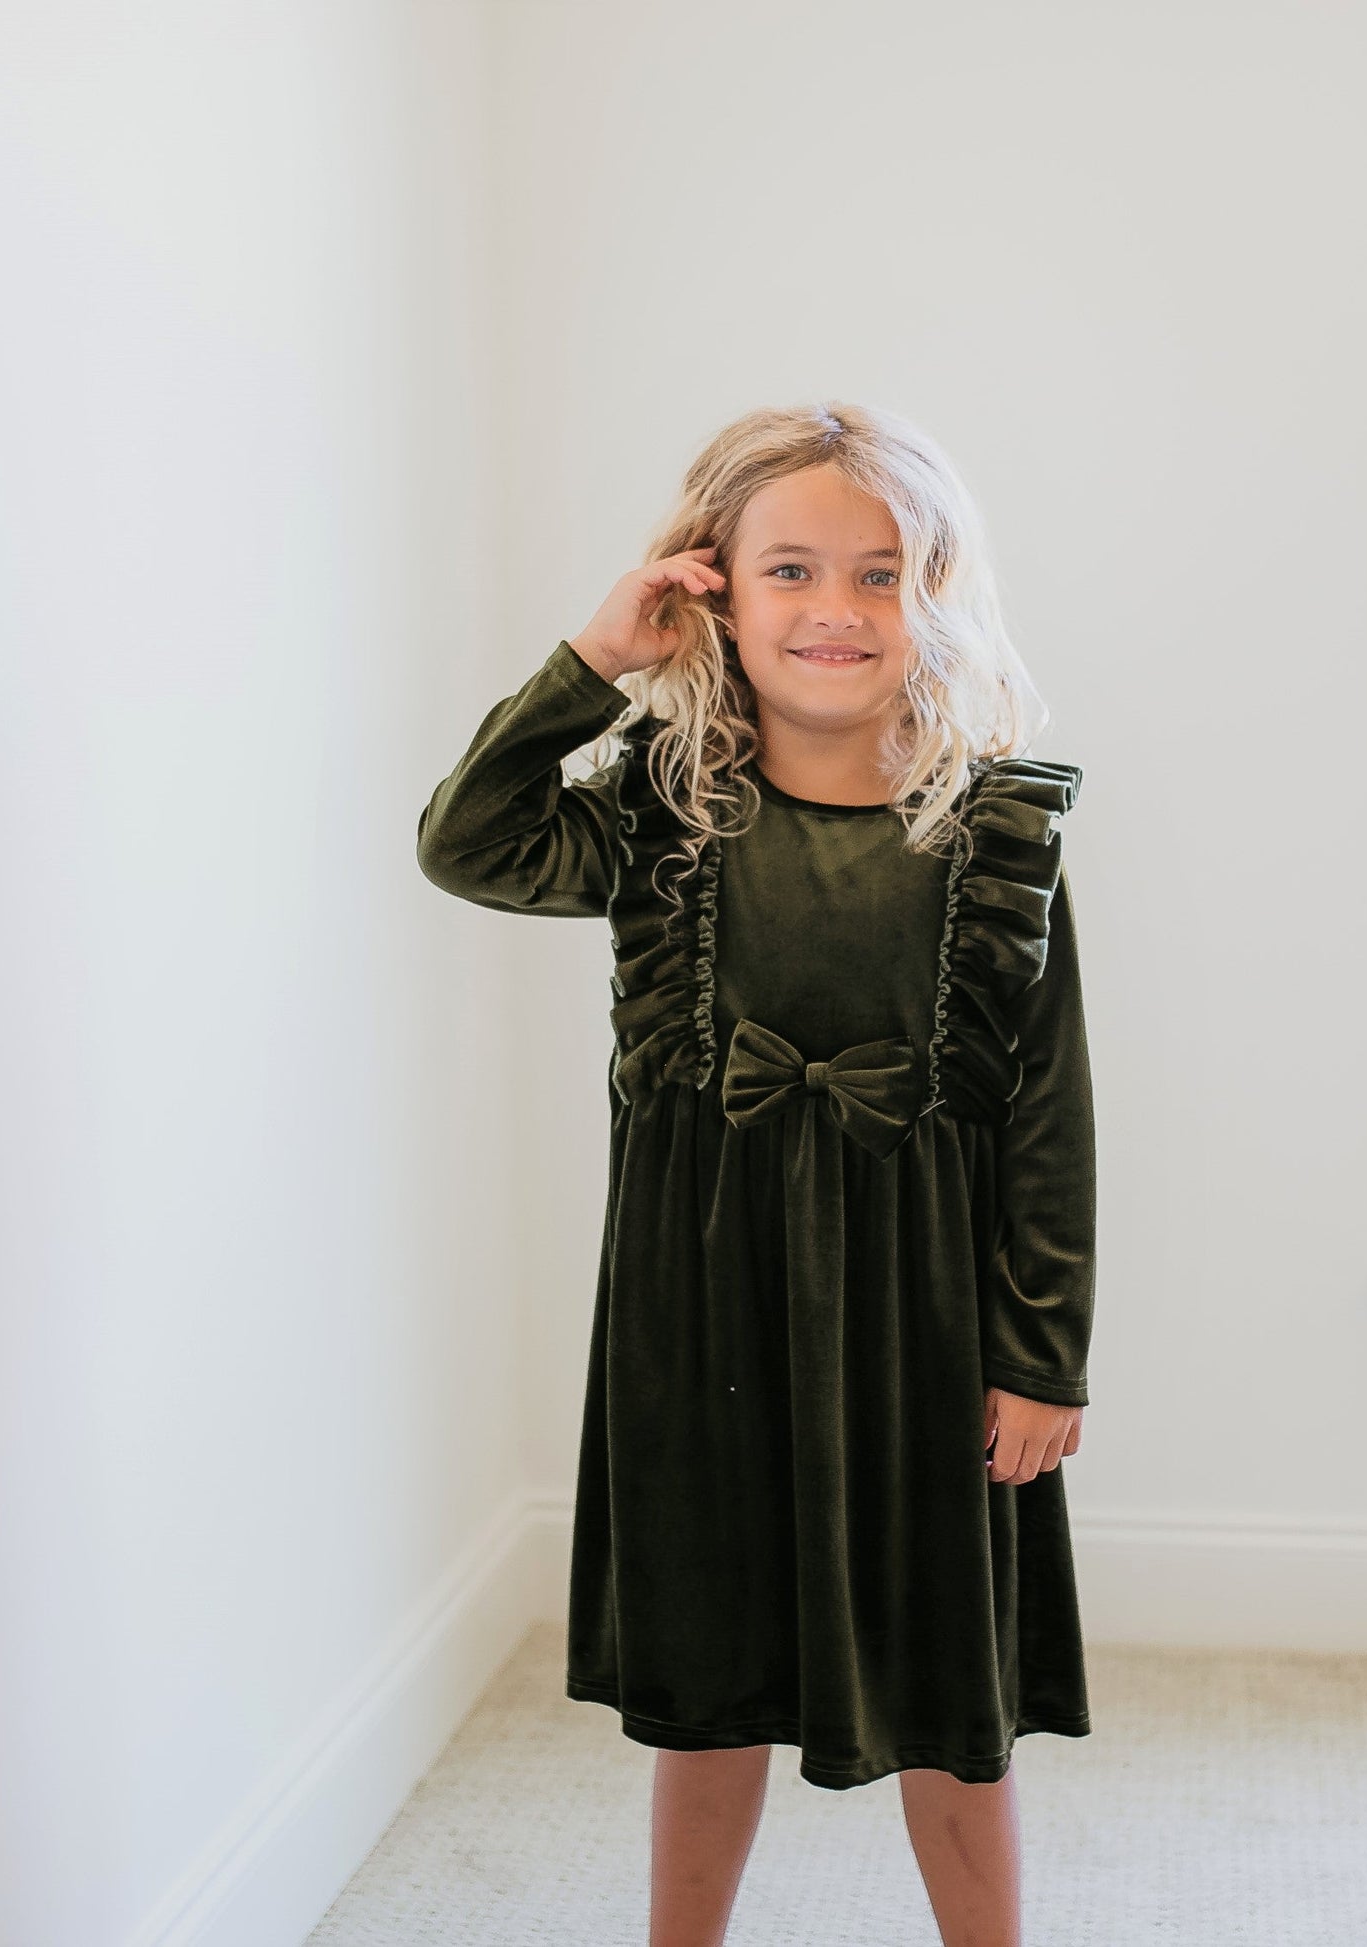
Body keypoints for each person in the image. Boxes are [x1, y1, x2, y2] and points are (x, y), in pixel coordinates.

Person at [416, 400, 1096, 1946]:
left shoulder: (995, 834)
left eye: (879, 574)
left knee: (950, 1698)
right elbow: (467, 841)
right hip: (699, 1326)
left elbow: (1050, 1113)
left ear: (934, 596)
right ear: (712, 589)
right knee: (707, 1690)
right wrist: (592, 661)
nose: (834, 610)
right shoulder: (658, 813)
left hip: (927, 1337)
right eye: (790, 570)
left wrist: (1039, 1354)